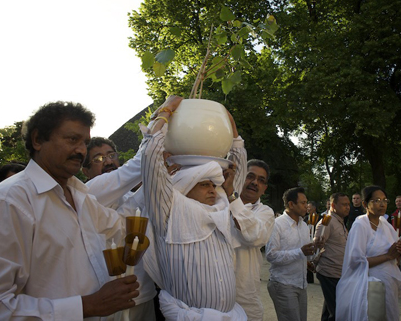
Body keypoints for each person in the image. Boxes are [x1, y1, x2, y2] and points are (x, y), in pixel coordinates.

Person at [0, 101, 139, 319]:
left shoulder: (81, 197)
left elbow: (121, 229)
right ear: (37, 140)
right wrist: (87, 306)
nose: (81, 150)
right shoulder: (6, 203)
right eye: (72, 139)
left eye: (85, 142)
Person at [140, 95, 247, 319]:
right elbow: (150, 156)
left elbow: (238, 166)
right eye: (204, 184)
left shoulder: (219, 206)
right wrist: (166, 112)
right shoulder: (168, 209)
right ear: (185, 185)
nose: (213, 189)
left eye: (213, 184)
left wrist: (230, 126)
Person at [82, 136, 157, 321]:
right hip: (107, 305)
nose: (107, 161)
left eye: (111, 155)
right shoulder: (87, 194)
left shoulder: (132, 196)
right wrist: (155, 132)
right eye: (98, 159)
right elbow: (125, 220)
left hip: (144, 296)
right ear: (86, 171)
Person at [336, 185, 401, 321]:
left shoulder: (386, 224)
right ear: (365, 204)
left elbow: (395, 255)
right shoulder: (360, 225)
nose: (382, 204)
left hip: (388, 283)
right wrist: (387, 256)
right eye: (376, 200)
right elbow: (356, 261)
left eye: (385, 200)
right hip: (370, 286)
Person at [232, 159, 275, 321]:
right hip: (213, 291)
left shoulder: (265, 212)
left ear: (264, 189)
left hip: (245, 293)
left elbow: (254, 236)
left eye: (261, 180)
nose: (255, 182)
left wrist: (232, 198)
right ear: (240, 177)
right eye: (250, 176)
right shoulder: (218, 203)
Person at [266, 187, 317, 321]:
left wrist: (315, 250)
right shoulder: (277, 225)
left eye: (306, 202)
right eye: (303, 203)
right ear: (291, 204)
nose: (307, 206)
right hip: (283, 283)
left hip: (301, 283)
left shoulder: (304, 226)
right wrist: (300, 252)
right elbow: (271, 255)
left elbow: (306, 254)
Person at [313, 192, 349, 321]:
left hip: (339, 272)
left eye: (348, 204)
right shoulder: (327, 221)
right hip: (329, 272)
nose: (347, 207)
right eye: (344, 204)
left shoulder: (340, 222)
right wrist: (317, 242)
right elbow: (317, 242)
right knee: (337, 311)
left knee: (329, 311)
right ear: (333, 205)